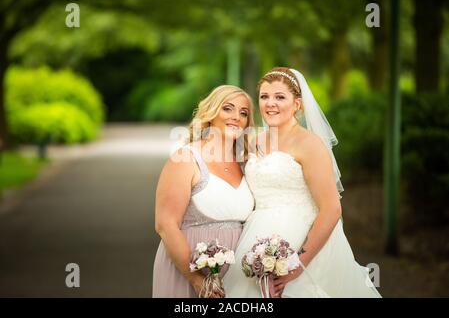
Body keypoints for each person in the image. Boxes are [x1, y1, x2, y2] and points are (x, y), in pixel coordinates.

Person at [223, 67, 381, 298]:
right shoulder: (254, 141)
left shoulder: (310, 145)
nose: (270, 103)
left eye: (280, 97)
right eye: (264, 97)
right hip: (254, 238)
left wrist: (299, 262)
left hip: (301, 242)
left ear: (297, 104)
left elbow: (331, 208)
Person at [153, 85, 255, 297]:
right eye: (228, 109)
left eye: (243, 113)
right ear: (211, 112)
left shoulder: (246, 163)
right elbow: (165, 224)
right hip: (188, 273)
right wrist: (196, 279)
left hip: (239, 280)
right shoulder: (185, 158)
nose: (236, 116)